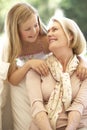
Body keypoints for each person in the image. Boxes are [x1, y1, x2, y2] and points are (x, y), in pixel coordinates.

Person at [2, 2, 87, 130]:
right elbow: (13, 79)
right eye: (27, 29)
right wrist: (29, 64)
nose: (34, 31)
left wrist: (82, 62)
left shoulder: (46, 39)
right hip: (28, 81)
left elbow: (69, 52)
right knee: (32, 114)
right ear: (16, 30)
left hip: (49, 78)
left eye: (36, 25)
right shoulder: (13, 47)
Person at [26, 16, 87, 130]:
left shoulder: (84, 70)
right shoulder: (36, 69)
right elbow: (37, 107)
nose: (49, 34)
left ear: (71, 35)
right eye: (48, 31)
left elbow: (78, 106)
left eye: (54, 29)